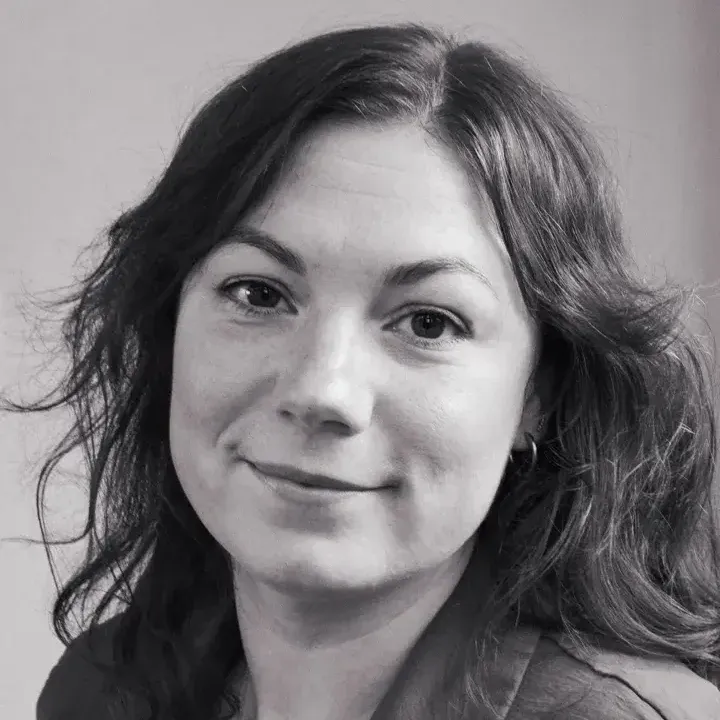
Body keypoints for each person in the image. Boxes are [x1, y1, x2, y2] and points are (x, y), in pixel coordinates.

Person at [7, 22, 720, 720]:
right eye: (259, 294)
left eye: (429, 322)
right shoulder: (100, 693)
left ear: (539, 394)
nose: (321, 389)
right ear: (169, 330)